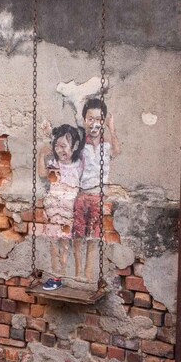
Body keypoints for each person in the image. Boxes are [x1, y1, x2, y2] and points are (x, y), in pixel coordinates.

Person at [72, 98, 120, 282]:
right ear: (84, 120)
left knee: (94, 237)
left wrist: (112, 129)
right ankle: (78, 273)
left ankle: (88, 274)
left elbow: (117, 151)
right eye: (90, 119)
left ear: (103, 121)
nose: (94, 124)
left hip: (98, 197)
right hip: (81, 195)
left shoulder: (107, 146)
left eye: (99, 119)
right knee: (78, 236)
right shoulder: (79, 146)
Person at [38, 121, 84, 290]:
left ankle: (60, 275)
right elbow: (42, 174)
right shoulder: (54, 164)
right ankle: (54, 273)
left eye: (64, 146)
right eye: (57, 146)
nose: (60, 150)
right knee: (53, 242)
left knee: (64, 243)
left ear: (75, 146)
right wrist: (41, 155)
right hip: (53, 211)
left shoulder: (79, 164)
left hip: (68, 212)